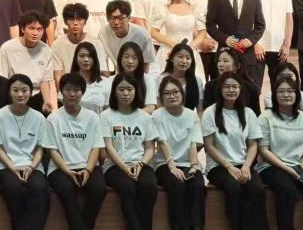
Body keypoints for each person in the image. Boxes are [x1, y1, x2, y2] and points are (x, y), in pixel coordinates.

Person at [257, 75, 303, 230]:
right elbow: (263, 150)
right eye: (281, 91)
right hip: (271, 166)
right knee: (287, 189)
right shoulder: (265, 118)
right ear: (274, 95)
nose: (286, 95)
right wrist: (289, 170)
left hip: (298, 164)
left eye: (290, 91)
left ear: (296, 94)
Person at [202, 71, 267, 230]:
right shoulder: (210, 112)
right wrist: (229, 167)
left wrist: (246, 166)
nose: (231, 90)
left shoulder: (248, 113)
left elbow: (253, 145)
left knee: (258, 189)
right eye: (227, 87)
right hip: (218, 166)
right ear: (220, 89)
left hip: (243, 164)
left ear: (240, 89)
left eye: (235, 86)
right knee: (234, 189)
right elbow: (209, 146)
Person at [44, 73, 107, 230]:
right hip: (60, 168)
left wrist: (88, 170)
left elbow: (96, 147)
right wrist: (67, 170)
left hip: (87, 166)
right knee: (66, 189)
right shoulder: (53, 118)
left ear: (82, 92)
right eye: (68, 89)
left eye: (77, 90)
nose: (72, 94)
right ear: (61, 92)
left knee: (99, 188)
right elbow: (52, 150)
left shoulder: (92, 117)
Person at [0, 74, 51, 230]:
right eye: (15, 90)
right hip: (4, 166)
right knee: (14, 188)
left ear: (31, 92)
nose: (20, 94)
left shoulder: (38, 117)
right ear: (9, 92)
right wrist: (12, 168)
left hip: (32, 166)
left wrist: (31, 167)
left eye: (24, 90)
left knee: (39, 188)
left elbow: (40, 149)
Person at [100, 72, 159, 230]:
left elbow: (149, 148)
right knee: (127, 187)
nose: (126, 93)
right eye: (121, 89)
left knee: (149, 186)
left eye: (129, 89)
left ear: (136, 91)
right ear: (114, 92)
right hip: (114, 166)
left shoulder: (144, 117)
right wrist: (125, 168)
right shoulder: (106, 116)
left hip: (140, 164)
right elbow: (109, 147)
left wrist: (140, 165)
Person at [152, 75, 205, 230]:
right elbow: (162, 142)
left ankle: (196, 227)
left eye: (175, 92)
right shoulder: (157, 115)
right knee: (177, 186)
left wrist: (194, 166)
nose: (172, 96)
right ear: (161, 97)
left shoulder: (191, 114)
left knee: (197, 186)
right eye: (167, 93)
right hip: (165, 164)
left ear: (182, 94)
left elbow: (193, 142)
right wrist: (172, 167)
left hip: (189, 162)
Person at [205, 0, 266, 89]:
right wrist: (225, 39)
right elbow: (210, 25)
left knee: (250, 90)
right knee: (224, 89)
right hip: (225, 54)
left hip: (247, 55)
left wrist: (251, 40)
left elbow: (260, 25)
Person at [245, 0, 295, 83]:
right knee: (254, 86)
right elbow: (245, 21)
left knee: (279, 85)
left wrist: (287, 44)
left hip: (278, 46)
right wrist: (254, 43)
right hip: (256, 46)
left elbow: (288, 18)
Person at [0, 10, 56, 112]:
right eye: (31, 28)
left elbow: (45, 81)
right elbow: (2, 79)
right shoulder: (7, 48)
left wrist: (46, 101)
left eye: (39, 29)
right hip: (13, 96)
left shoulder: (46, 50)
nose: (35, 33)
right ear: (23, 29)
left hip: (36, 96)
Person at [149, 0, 203, 74]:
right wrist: (172, 44)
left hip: (189, 51)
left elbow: (202, 33)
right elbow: (154, 32)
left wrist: (191, 46)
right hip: (169, 50)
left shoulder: (195, 8)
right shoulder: (163, 8)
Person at [50, 3, 109, 84]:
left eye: (79, 19)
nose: (75, 23)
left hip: (92, 86)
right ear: (65, 21)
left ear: (85, 21)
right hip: (68, 87)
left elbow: (104, 72)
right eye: (71, 19)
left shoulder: (96, 43)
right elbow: (57, 75)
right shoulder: (57, 44)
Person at [98, 0, 155, 73]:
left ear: (129, 18)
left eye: (120, 18)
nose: (116, 22)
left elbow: (146, 63)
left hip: (145, 74)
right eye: (112, 18)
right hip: (121, 75)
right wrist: (107, 79)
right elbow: (102, 60)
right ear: (107, 19)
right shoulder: (103, 33)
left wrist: (141, 79)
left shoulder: (142, 35)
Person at [202, 47, 262, 115]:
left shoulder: (250, 88)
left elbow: (256, 115)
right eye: (219, 61)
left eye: (225, 61)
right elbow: (207, 113)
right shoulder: (210, 86)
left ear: (238, 65)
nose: (220, 64)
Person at [189, 0, 222, 78]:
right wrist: (201, 41)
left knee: (219, 83)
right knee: (200, 81)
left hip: (219, 47)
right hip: (198, 47)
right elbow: (187, 21)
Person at [111, 42, 157, 113]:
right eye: (126, 57)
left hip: (141, 118)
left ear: (140, 60)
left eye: (135, 58)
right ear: (120, 58)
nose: (130, 61)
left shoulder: (147, 79)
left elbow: (150, 107)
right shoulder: (111, 80)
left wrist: (131, 117)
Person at [68, 42, 110, 113]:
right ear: (76, 59)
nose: (86, 59)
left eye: (90, 56)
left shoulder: (106, 83)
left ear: (95, 59)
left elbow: (107, 112)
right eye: (82, 56)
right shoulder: (68, 82)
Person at [160, 43, 204, 111]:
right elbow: (159, 106)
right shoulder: (161, 79)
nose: (184, 61)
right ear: (171, 58)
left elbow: (200, 110)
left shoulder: (198, 81)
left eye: (188, 58)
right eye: (180, 57)